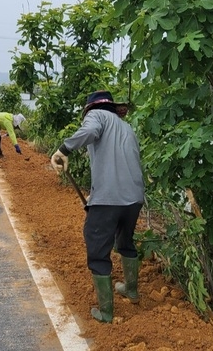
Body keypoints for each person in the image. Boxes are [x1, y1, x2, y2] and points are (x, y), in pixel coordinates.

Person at [50, 90, 144, 323]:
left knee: (97, 247)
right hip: (134, 197)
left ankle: (106, 312)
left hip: (109, 198)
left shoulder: (96, 116)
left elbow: (90, 131)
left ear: (91, 109)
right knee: (126, 241)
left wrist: (63, 149)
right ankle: (131, 290)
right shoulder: (126, 127)